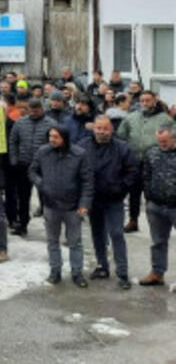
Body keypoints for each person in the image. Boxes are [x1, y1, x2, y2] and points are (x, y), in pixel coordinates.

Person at [29, 126, 93, 287]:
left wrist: (84, 204)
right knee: (52, 241)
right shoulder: (43, 152)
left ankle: (77, 272)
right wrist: (41, 184)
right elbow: (32, 171)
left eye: (56, 137)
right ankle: (55, 270)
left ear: (64, 138)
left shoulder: (79, 154)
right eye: (50, 136)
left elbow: (87, 182)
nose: (52, 140)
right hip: (51, 205)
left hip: (73, 206)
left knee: (75, 242)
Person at [79, 116, 137, 289]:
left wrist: (121, 187)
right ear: (93, 128)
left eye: (105, 129)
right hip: (93, 198)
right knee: (97, 233)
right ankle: (102, 266)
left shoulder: (122, 147)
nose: (101, 132)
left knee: (117, 234)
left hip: (114, 198)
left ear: (111, 130)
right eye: (98, 128)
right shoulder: (83, 146)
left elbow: (133, 170)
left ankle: (123, 273)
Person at [117, 91, 174, 232]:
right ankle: (133, 220)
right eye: (142, 100)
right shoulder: (131, 118)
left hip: (157, 161)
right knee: (134, 192)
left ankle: (155, 220)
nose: (145, 103)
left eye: (148, 100)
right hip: (135, 160)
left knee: (152, 192)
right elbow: (120, 136)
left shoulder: (165, 119)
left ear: (155, 101)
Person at [7, 99, 54, 236]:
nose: (34, 113)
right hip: (23, 164)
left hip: (43, 167)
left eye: (37, 110)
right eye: (31, 110)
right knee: (23, 196)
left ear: (42, 109)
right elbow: (13, 141)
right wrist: (14, 159)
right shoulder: (20, 123)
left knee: (46, 197)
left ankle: (50, 226)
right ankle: (22, 224)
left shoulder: (50, 124)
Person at [138, 122, 176, 286]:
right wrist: (149, 196)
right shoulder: (151, 153)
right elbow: (145, 176)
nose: (162, 144)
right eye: (160, 141)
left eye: (165, 141)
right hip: (156, 205)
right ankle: (157, 273)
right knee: (158, 241)